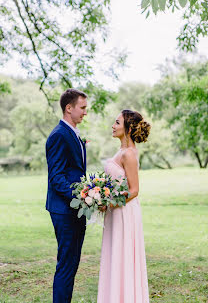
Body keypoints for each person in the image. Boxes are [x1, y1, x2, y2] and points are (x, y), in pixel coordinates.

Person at [97, 109, 150, 303]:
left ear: (127, 129)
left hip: (124, 213)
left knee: (124, 256)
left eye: (117, 123)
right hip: (115, 212)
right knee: (115, 255)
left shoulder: (129, 154)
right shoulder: (120, 150)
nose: (113, 125)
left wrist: (108, 202)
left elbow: (134, 190)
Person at [45, 88, 87, 303]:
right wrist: (85, 196)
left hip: (75, 209)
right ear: (68, 108)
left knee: (71, 265)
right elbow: (57, 178)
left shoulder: (73, 133)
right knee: (66, 265)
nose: (85, 112)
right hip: (64, 210)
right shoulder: (59, 135)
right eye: (82, 108)